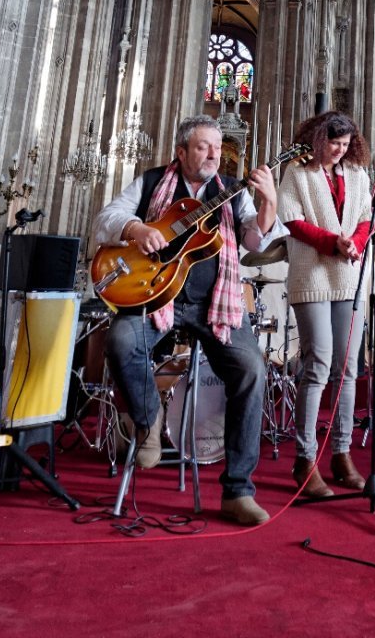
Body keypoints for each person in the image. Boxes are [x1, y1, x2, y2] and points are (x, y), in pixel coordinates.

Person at [93, 114, 285, 527]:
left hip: (214, 304)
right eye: (203, 147)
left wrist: (268, 201)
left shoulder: (232, 193)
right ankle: (148, 420)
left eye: (217, 148)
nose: (215, 154)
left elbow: (255, 240)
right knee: (121, 342)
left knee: (252, 369)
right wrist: (137, 227)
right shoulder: (150, 182)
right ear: (181, 152)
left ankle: (237, 491)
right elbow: (105, 220)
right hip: (152, 297)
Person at [276, 110, 372, 499]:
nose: (339, 150)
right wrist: (333, 242)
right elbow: (292, 219)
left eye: (346, 144)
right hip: (313, 274)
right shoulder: (298, 173)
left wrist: (357, 243)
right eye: (334, 143)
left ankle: (342, 453)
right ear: (318, 139)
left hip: (351, 275)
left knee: (347, 370)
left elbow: (367, 215)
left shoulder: (358, 175)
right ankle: (305, 458)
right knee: (317, 365)